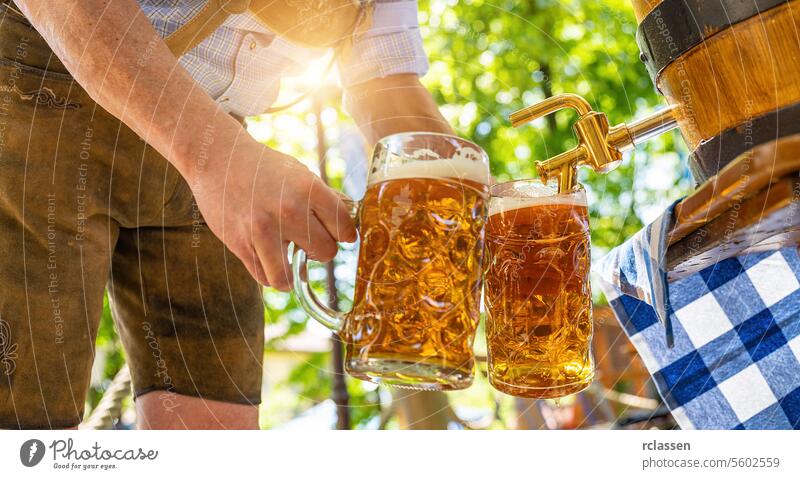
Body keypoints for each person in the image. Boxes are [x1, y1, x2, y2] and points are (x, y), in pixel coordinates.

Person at [0, 0, 453, 429]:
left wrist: (461, 211)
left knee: (217, 431)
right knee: (23, 421)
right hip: (40, 97)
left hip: (218, 144)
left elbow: (387, 87)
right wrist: (218, 157)